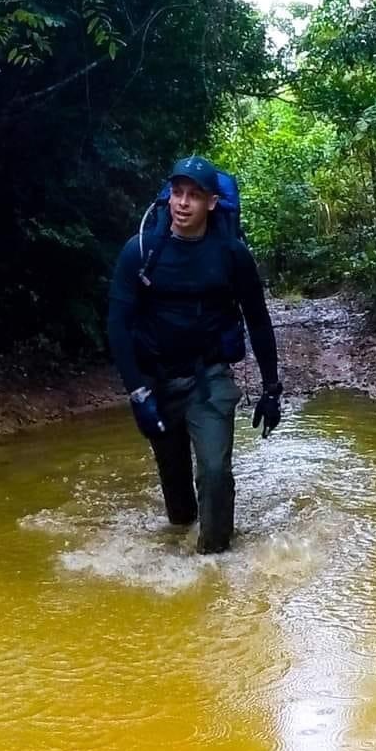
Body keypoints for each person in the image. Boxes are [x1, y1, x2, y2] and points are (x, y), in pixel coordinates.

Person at [108, 155, 283, 553]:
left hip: (210, 378)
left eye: (194, 195)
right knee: (180, 507)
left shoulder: (232, 254)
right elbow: (118, 324)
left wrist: (272, 389)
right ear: (168, 196)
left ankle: (214, 566)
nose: (183, 203)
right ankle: (186, 542)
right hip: (156, 381)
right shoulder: (140, 251)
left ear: (212, 203)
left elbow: (258, 320)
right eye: (177, 192)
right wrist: (137, 393)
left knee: (215, 471)